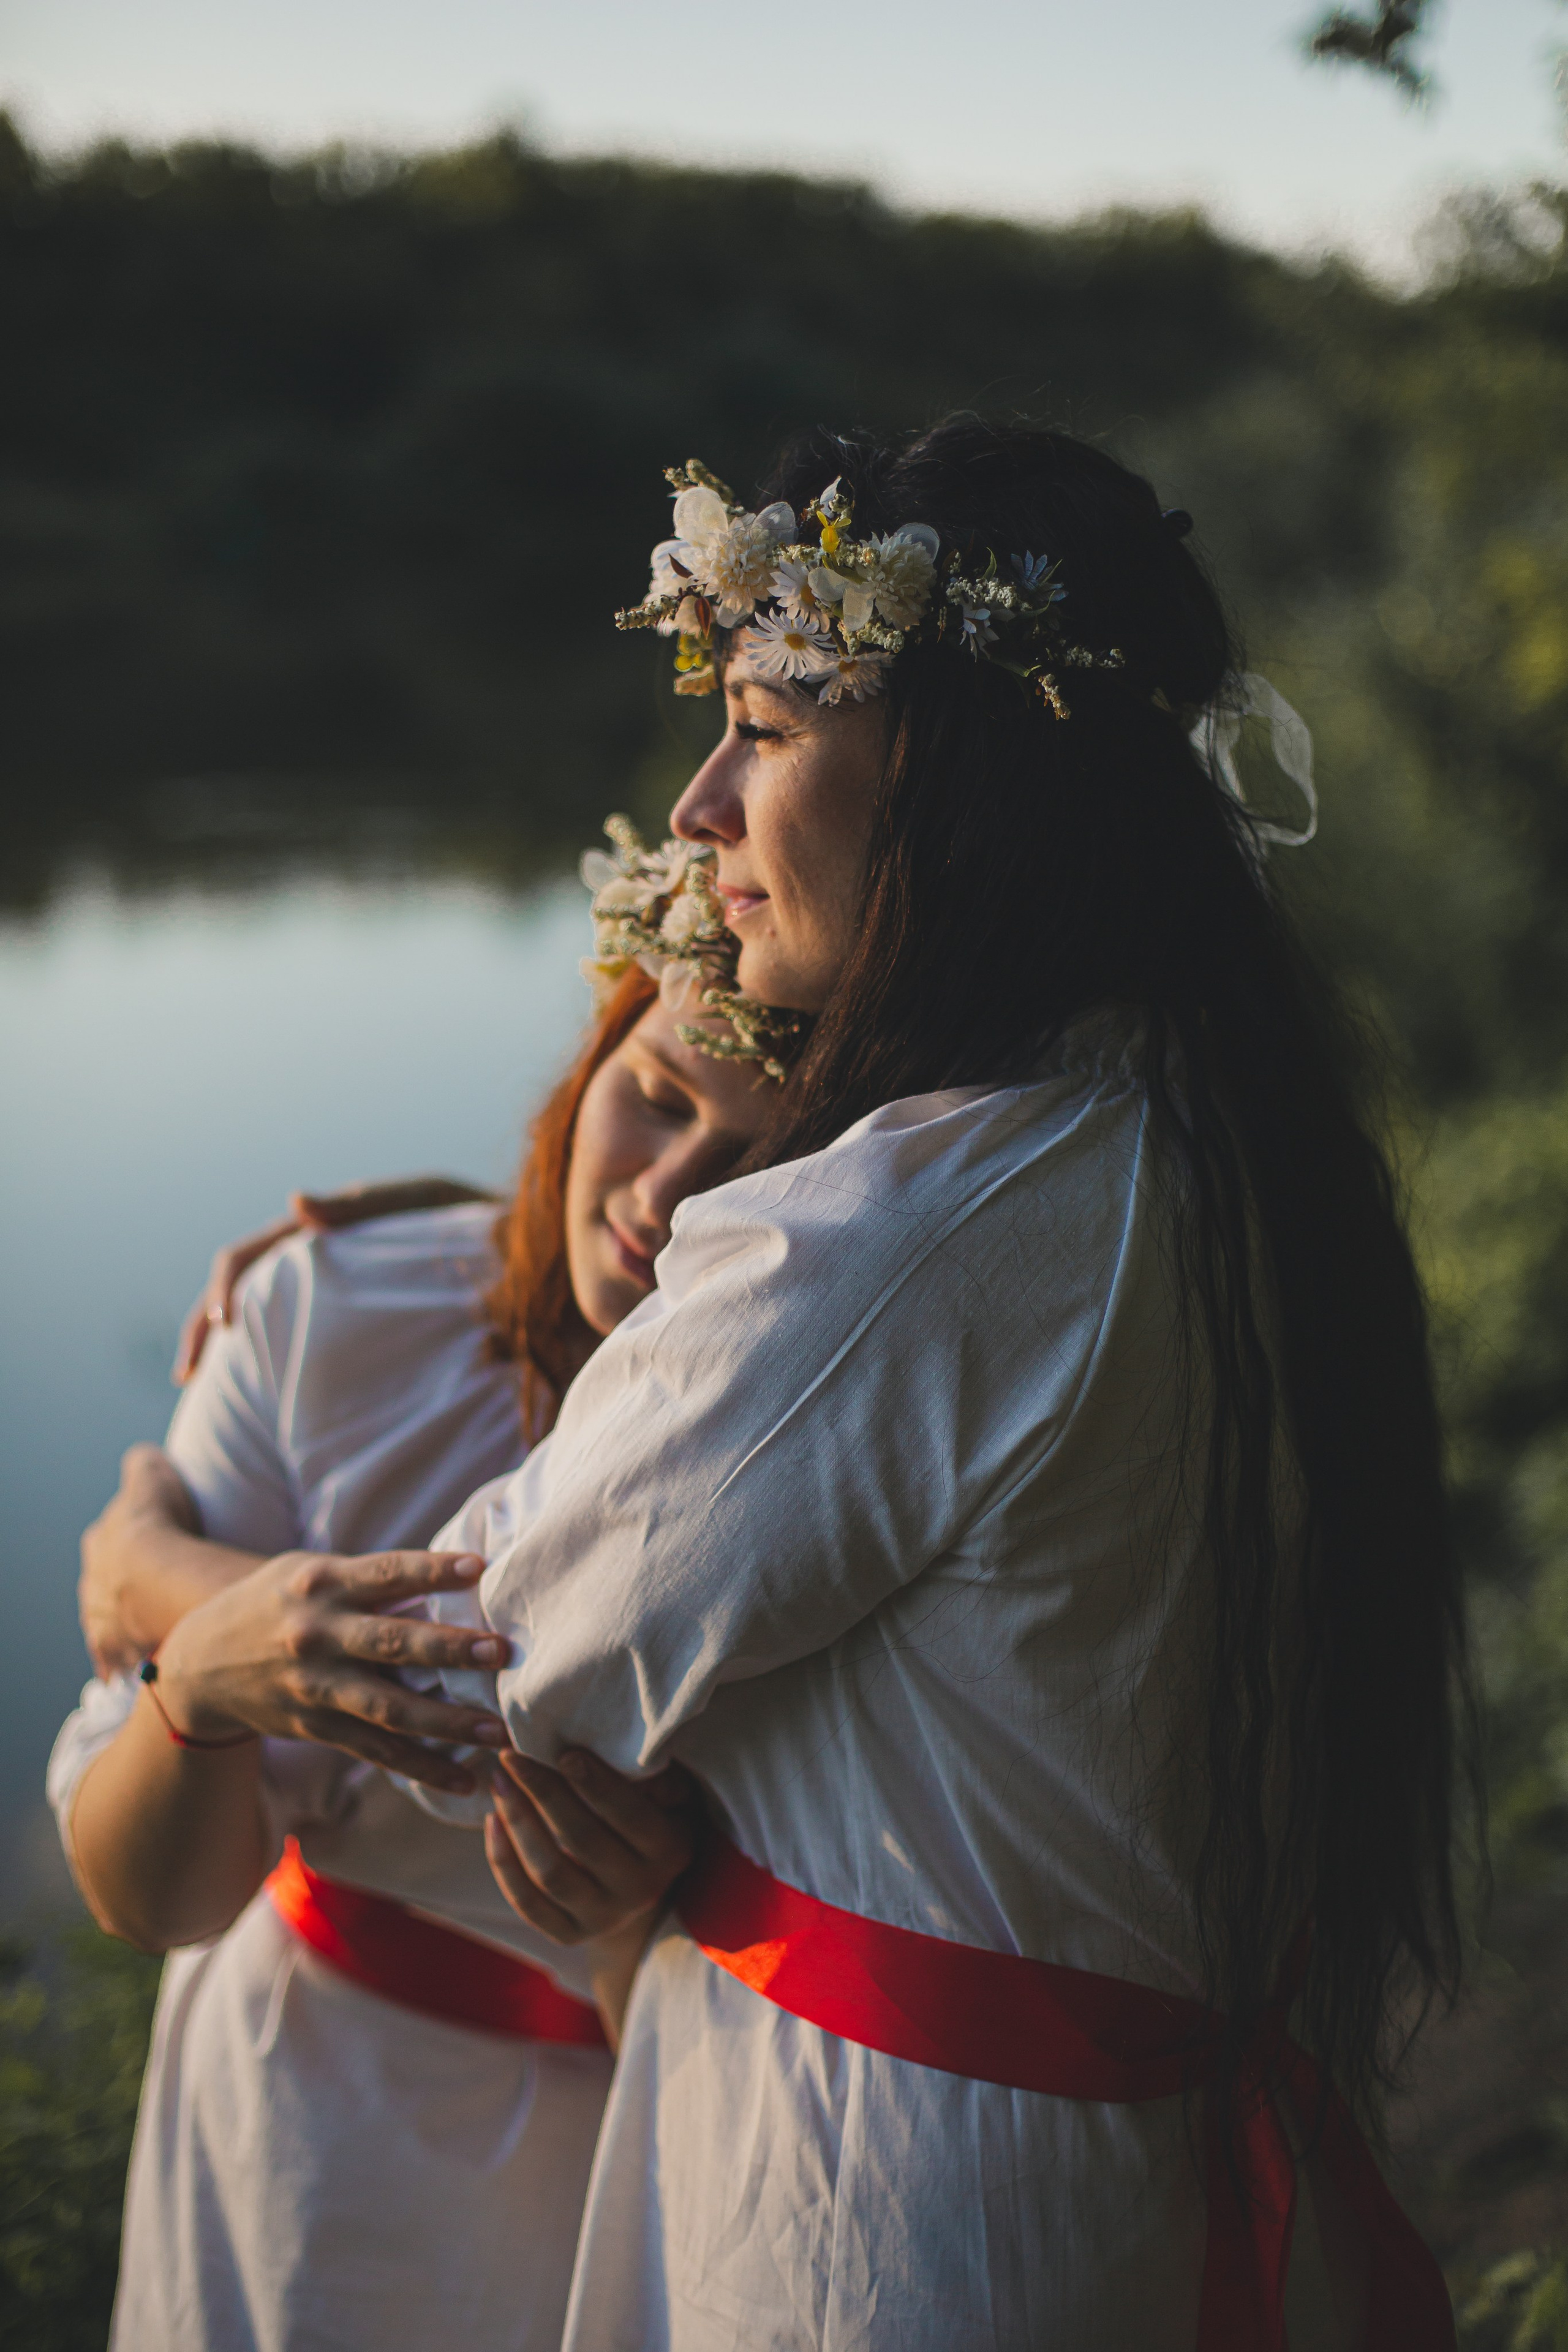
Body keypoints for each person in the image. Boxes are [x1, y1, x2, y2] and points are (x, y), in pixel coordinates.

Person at [407, 421, 1469, 2350]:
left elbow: (481, 1642)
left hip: (887, 2214)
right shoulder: (1202, 1130)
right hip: (1106, 2169)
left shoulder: (894, 1238)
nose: (699, 806)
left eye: (762, 727)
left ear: (954, 778)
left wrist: (161, 1587)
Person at [50, 954, 774, 2352]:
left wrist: (640, 1917)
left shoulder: (811, 1438)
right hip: (298, 2110)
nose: (667, 1192)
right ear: (588, 1064)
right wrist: (195, 1684)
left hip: (639, 2138)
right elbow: (139, 1894)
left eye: (752, 1161)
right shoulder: (335, 1309)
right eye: (654, 1094)